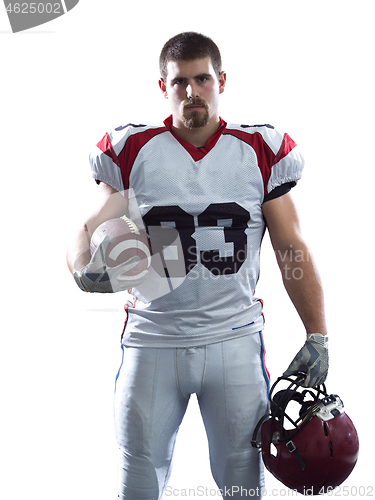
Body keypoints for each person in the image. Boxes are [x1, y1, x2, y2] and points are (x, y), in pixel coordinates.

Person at [67, 32, 329, 500]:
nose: (192, 92)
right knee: (139, 484)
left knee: (243, 486)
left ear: (221, 80)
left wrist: (318, 335)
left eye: (202, 79)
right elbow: (85, 230)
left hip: (233, 340)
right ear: (163, 88)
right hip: (153, 338)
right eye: (180, 82)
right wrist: (80, 268)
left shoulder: (259, 148)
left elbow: (291, 248)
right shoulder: (131, 149)